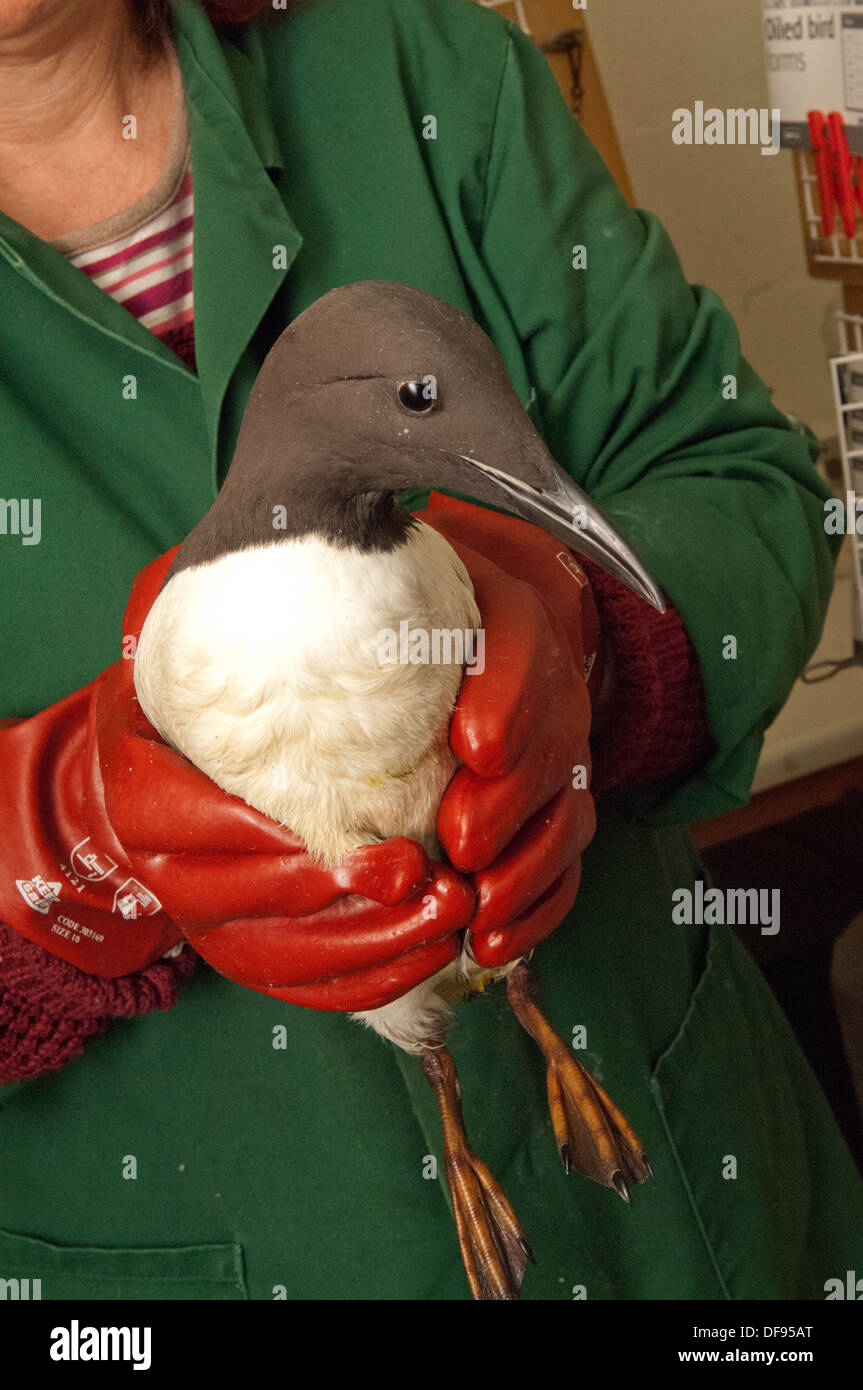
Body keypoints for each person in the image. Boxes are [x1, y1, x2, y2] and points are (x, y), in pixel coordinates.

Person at [0, 0, 861, 1301]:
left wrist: (596, 641)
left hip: (700, 1231)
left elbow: (741, 475)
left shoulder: (417, 68)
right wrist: (55, 854)